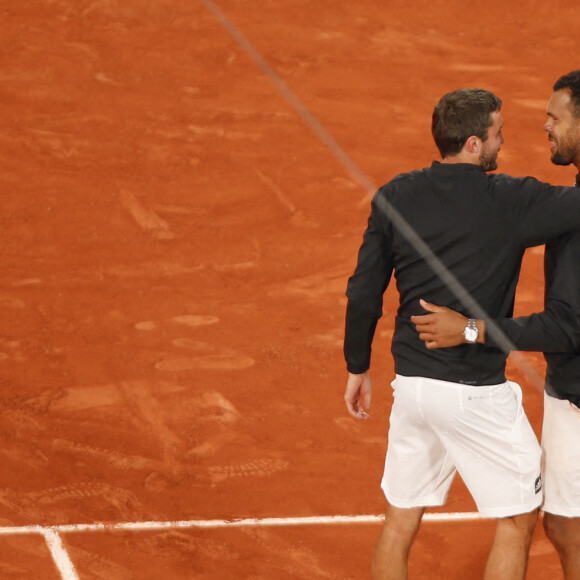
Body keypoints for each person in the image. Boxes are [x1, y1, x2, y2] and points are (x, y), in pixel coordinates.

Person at [343, 87, 580, 580]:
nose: (503, 141)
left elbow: (365, 292)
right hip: (474, 395)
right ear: (474, 144)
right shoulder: (513, 201)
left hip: (411, 388)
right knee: (518, 520)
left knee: (400, 519)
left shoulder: (395, 194)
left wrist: (357, 365)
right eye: (497, 134)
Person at [410, 70, 580, 580]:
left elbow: (567, 326)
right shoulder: (568, 203)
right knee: (566, 526)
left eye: (555, 117)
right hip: (569, 391)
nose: (543, 125)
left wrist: (472, 330)